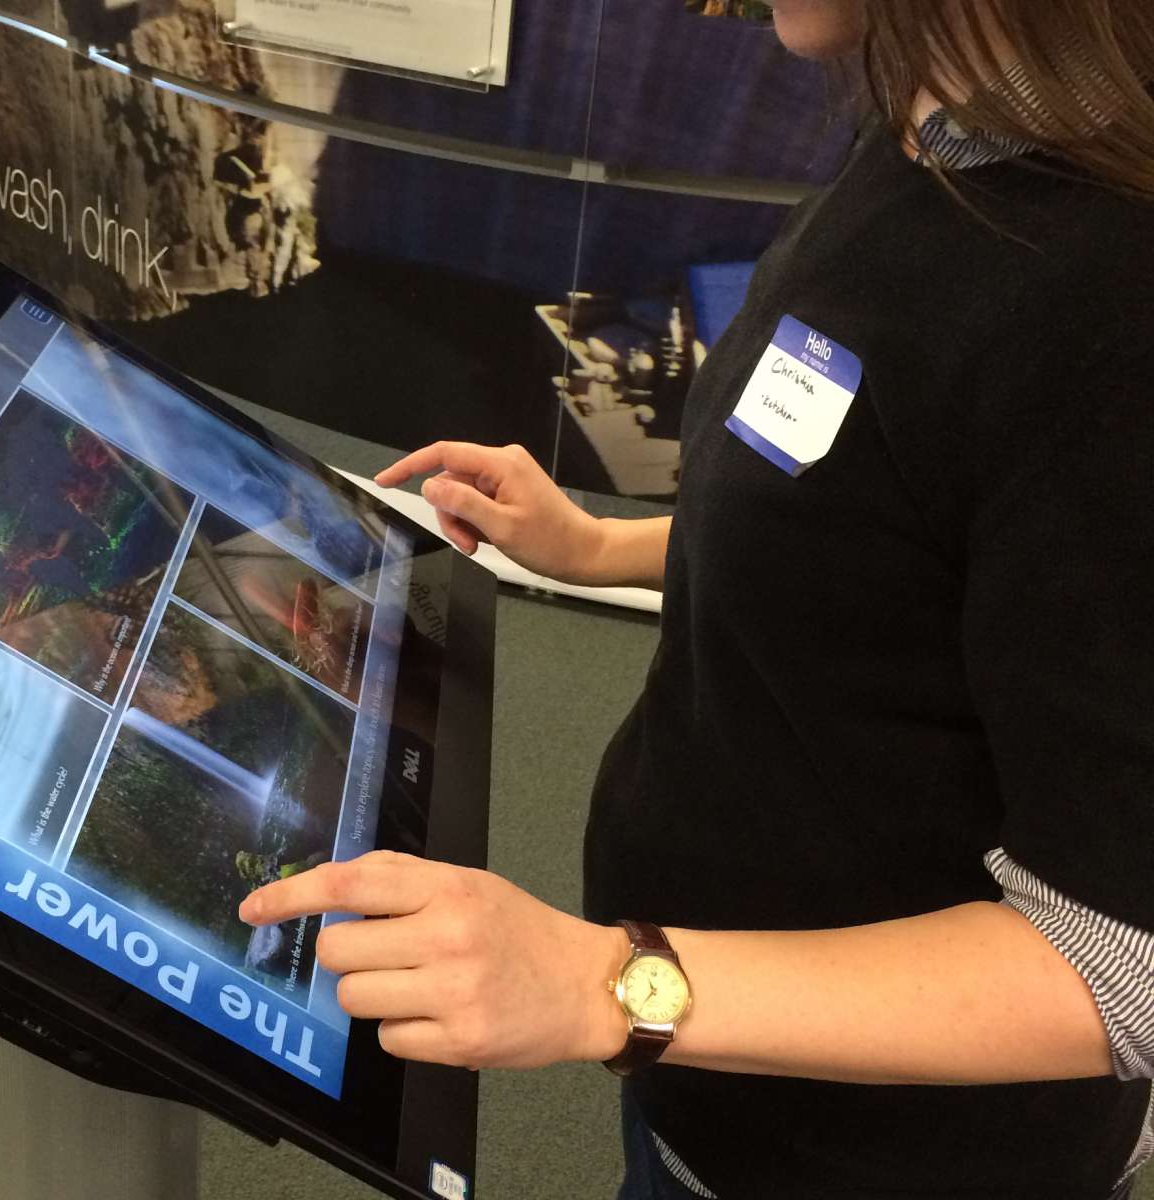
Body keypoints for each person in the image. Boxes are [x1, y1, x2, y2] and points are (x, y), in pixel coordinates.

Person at [239, 2, 1154, 1196]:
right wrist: (600, 546)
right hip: (712, 1073)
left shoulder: (1108, 316)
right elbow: (887, 525)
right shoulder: (933, 129)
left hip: (874, 1159)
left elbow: (1120, 960)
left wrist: (609, 987)